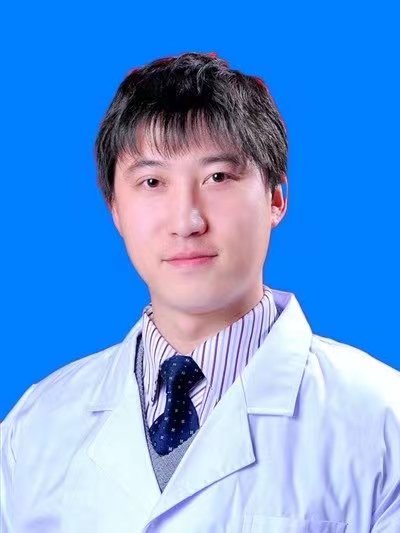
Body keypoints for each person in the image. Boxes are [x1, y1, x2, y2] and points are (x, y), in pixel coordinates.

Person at [1, 52, 399, 533]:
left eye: (218, 178)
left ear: (276, 198)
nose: (187, 221)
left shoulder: (383, 421)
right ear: (115, 210)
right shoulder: (35, 426)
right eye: (152, 181)